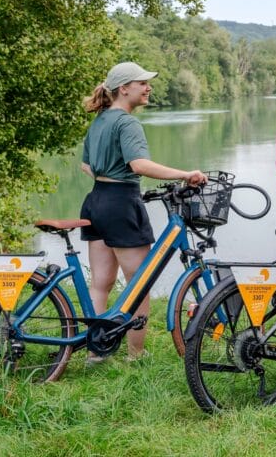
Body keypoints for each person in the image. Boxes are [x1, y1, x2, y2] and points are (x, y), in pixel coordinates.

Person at [80, 61, 207, 362]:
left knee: (101, 282)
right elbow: (139, 165)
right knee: (140, 283)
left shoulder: (99, 121)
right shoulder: (127, 122)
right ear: (124, 89)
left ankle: (98, 350)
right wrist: (185, 173)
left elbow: (86, 166)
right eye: (142, 83)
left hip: (95, 199)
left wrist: (107, 176)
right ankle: (135, 355)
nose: (149, 87)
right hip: (121, 203)